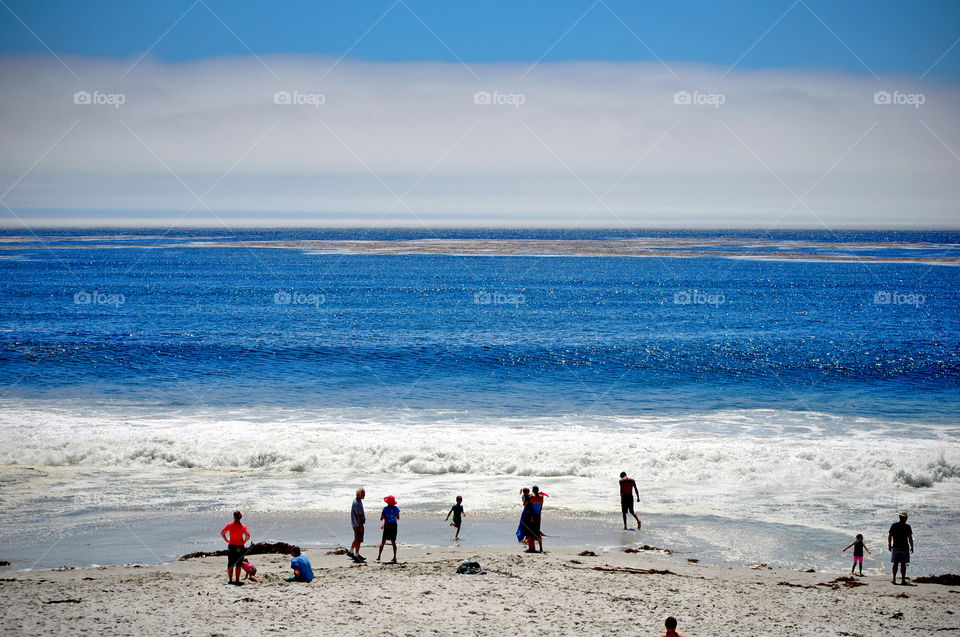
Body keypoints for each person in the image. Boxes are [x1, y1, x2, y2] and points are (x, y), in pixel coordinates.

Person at [220, 510, 250, 585]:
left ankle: (230, 579)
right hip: (240, 546)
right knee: (238, 564)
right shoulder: (243, 526)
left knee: (230, 563)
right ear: (240, 518)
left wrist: (227, 540)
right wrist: (244, 542)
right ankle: (237, 579)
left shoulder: (230, 525)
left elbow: (222, 533)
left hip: (232, 545)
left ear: (234, 517)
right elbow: (248, 535)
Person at [888, 510, 914, 585]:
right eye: (906, 517)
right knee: (903, 564)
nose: (907, 518)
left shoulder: (894, 525)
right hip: (904, 547)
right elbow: (910, 538)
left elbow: (890, 536)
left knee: (895, 563)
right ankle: (902, 580)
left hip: (896, 547)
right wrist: (912, 547)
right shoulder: (907, 526)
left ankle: (894, 579)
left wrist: (889, 545)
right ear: (904, 518)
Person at [377, 495, 400, 563]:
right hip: (394, 525)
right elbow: (398, 517)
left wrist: (384, 519)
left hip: (387, 525)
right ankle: (395, 557)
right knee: (393, 541)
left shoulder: (385, 509)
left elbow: (381, 518)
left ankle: (379, 556)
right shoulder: (396, 509)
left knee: (383, 541)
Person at [528, 485, 549, 553]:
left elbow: (530, 508)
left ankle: (531, 547)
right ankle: (541, 547)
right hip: (538, 515)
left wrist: (531, 517)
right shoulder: (542, 497)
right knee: (537, 531)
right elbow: (540, 508)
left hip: (532, 515)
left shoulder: (531, 497)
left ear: (533, 490)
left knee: (531, 531)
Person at [516, 487, 537, 552]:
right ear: (526, 492)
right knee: (527, 527)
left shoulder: (527, 495)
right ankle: (529, 544)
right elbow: (524, 504)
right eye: (528, 491)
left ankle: (530, 544)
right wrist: (528, 501)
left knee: (528, 527)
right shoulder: (525, 496)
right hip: (527, 512)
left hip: (528, 511)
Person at [349, 487, 366, 562]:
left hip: (355, 523)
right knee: (358, 539)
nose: (364, 495)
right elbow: (358, 515)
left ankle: (351, 551)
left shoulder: (357, 501)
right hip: (357, 524)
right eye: (363, 494)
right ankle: (356, 554)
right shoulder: (357, 503)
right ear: (359, 494)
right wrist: (361, 525)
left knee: (356, 538)